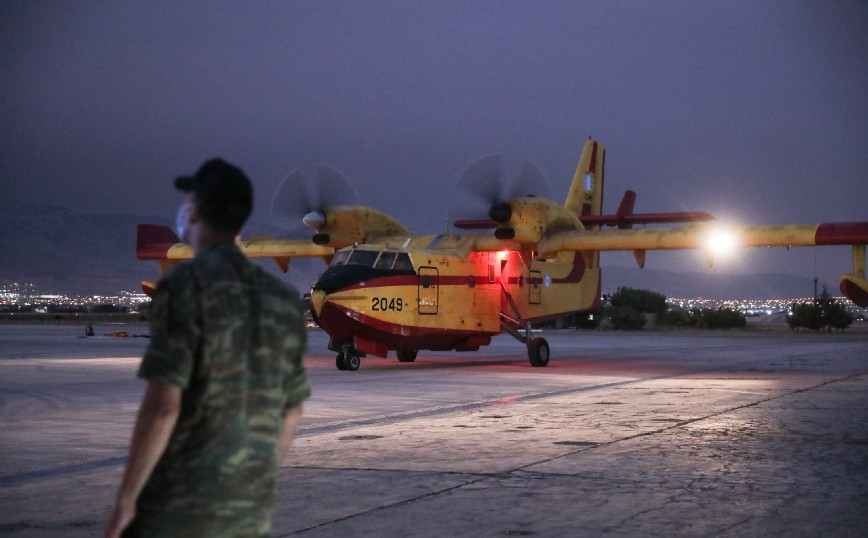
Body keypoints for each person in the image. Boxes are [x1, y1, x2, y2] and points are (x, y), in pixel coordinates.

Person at [106, 159, 310, 537]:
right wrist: (256, 489)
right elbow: (292, 410)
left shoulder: (184, 284)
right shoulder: (283, 298)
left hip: (179, 510)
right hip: (249, 513)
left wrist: (125, 501)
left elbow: (164, 406)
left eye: (188, 202)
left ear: (195, 212)